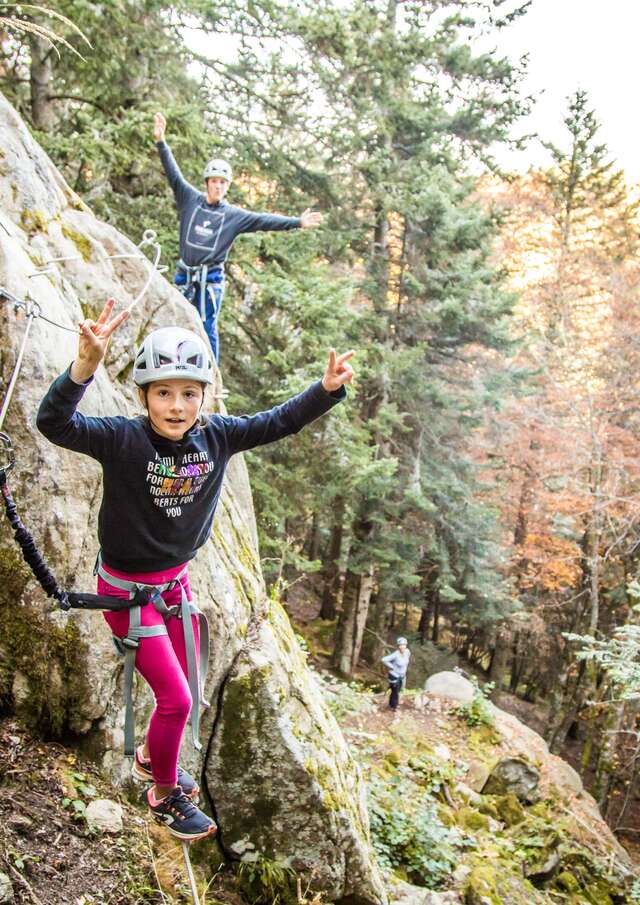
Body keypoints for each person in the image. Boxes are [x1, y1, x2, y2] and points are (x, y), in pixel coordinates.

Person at [36, 299, 354, 841]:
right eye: (163, 392)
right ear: (144, 397)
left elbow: (277, 422)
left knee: (188, 691)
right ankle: (163, 792)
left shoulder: (219, 437)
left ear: (205, 396)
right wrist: (84, 368)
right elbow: (54, 423)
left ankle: (146, 758)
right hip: (128, 597)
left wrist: (324, 390)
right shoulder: (123, 439)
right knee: (176, 700)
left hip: (174, 591)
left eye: (188, 393)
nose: (176, 405)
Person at [153, 112, 323, 363]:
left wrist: (297, 222)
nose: (218, 186)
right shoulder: (189, 199)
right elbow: (173, 173)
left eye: (223, 182)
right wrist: (161, 142)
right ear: (207, 182)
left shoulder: (233, 215)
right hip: (185, 274)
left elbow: (263, 220)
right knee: (176, 319)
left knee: (207, 326)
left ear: (227, 186)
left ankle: (209, 372)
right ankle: (171, 362)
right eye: (214, 181)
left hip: (209, 280)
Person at [382, 637, 411, 711]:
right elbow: (384, 659)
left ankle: (392, 704)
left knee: (398, 691)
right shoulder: (395, 654)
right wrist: (392, 666)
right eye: (400, 645)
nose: (402, 647)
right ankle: (394, 707)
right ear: (398, 646)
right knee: (395, 692)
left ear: (406, 645)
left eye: (404, 645)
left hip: (402, 676)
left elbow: (406, 663)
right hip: (394, 676)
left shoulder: (407, 652)